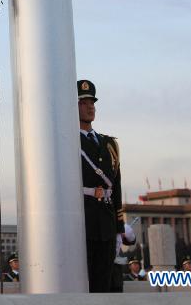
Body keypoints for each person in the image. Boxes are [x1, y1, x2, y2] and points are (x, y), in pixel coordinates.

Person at [78, 80, 124, 293]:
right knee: (83, 282)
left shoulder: (109, 144)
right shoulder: (68, 141)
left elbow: (116, 186)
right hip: (82, 221)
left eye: (92, 102)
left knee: (103, 283)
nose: (90, 107)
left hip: (106, 222)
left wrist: (119, 227)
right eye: (83, 102)